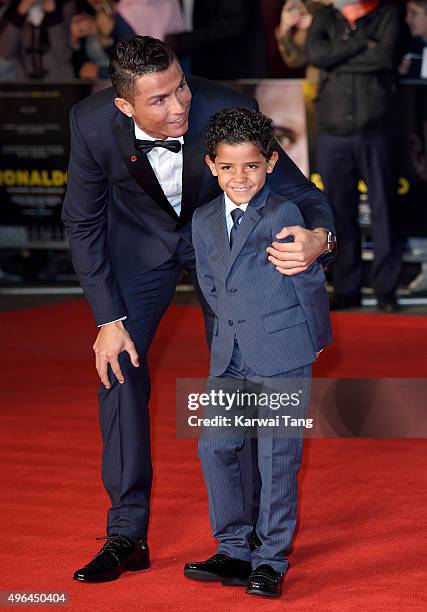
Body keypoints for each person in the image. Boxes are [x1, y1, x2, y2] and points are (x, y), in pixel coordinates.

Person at [62, 35, 335, 584]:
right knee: (118, 371)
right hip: (139, 251)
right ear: (125, 105)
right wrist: (107, 321)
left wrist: (319, 238)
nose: (180, 105)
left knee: (254, 376)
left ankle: (252, 539)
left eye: (181, 86)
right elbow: (82, 220)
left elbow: (300, 192)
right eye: (159, 100)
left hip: (224, 245)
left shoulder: (223, 107)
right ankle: (126, 533)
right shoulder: (91, 124)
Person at [184, 107, 332, 598]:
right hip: (228, 357)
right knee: (215, 449)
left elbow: (306, 279)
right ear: (210, 165)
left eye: (250, 165)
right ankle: (232, 548)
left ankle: (270, 559)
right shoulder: (204, 220)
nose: (239, 177)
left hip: (282, 352)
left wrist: (311, 341)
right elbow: (207, 282)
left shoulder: (283, 212)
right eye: (228, 166)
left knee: (277, 459)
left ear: (270, 162)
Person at [306, 0, 402, 312]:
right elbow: (315, 56)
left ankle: (386, 289)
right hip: (333, 130)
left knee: (384, 210)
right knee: (338, 212)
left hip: (376, 128)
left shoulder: (387, 12)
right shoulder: (324, 14)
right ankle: (347, 288)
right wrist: (362, 44)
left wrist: (338, 54)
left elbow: (385, 56)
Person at [0, 0, 76, 80]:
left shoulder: (67, 5)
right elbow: (6, 52)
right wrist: (20, 14)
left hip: (61, 84)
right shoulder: (13, 8)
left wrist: (52, 14)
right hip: (26, 86)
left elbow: (64, 54)